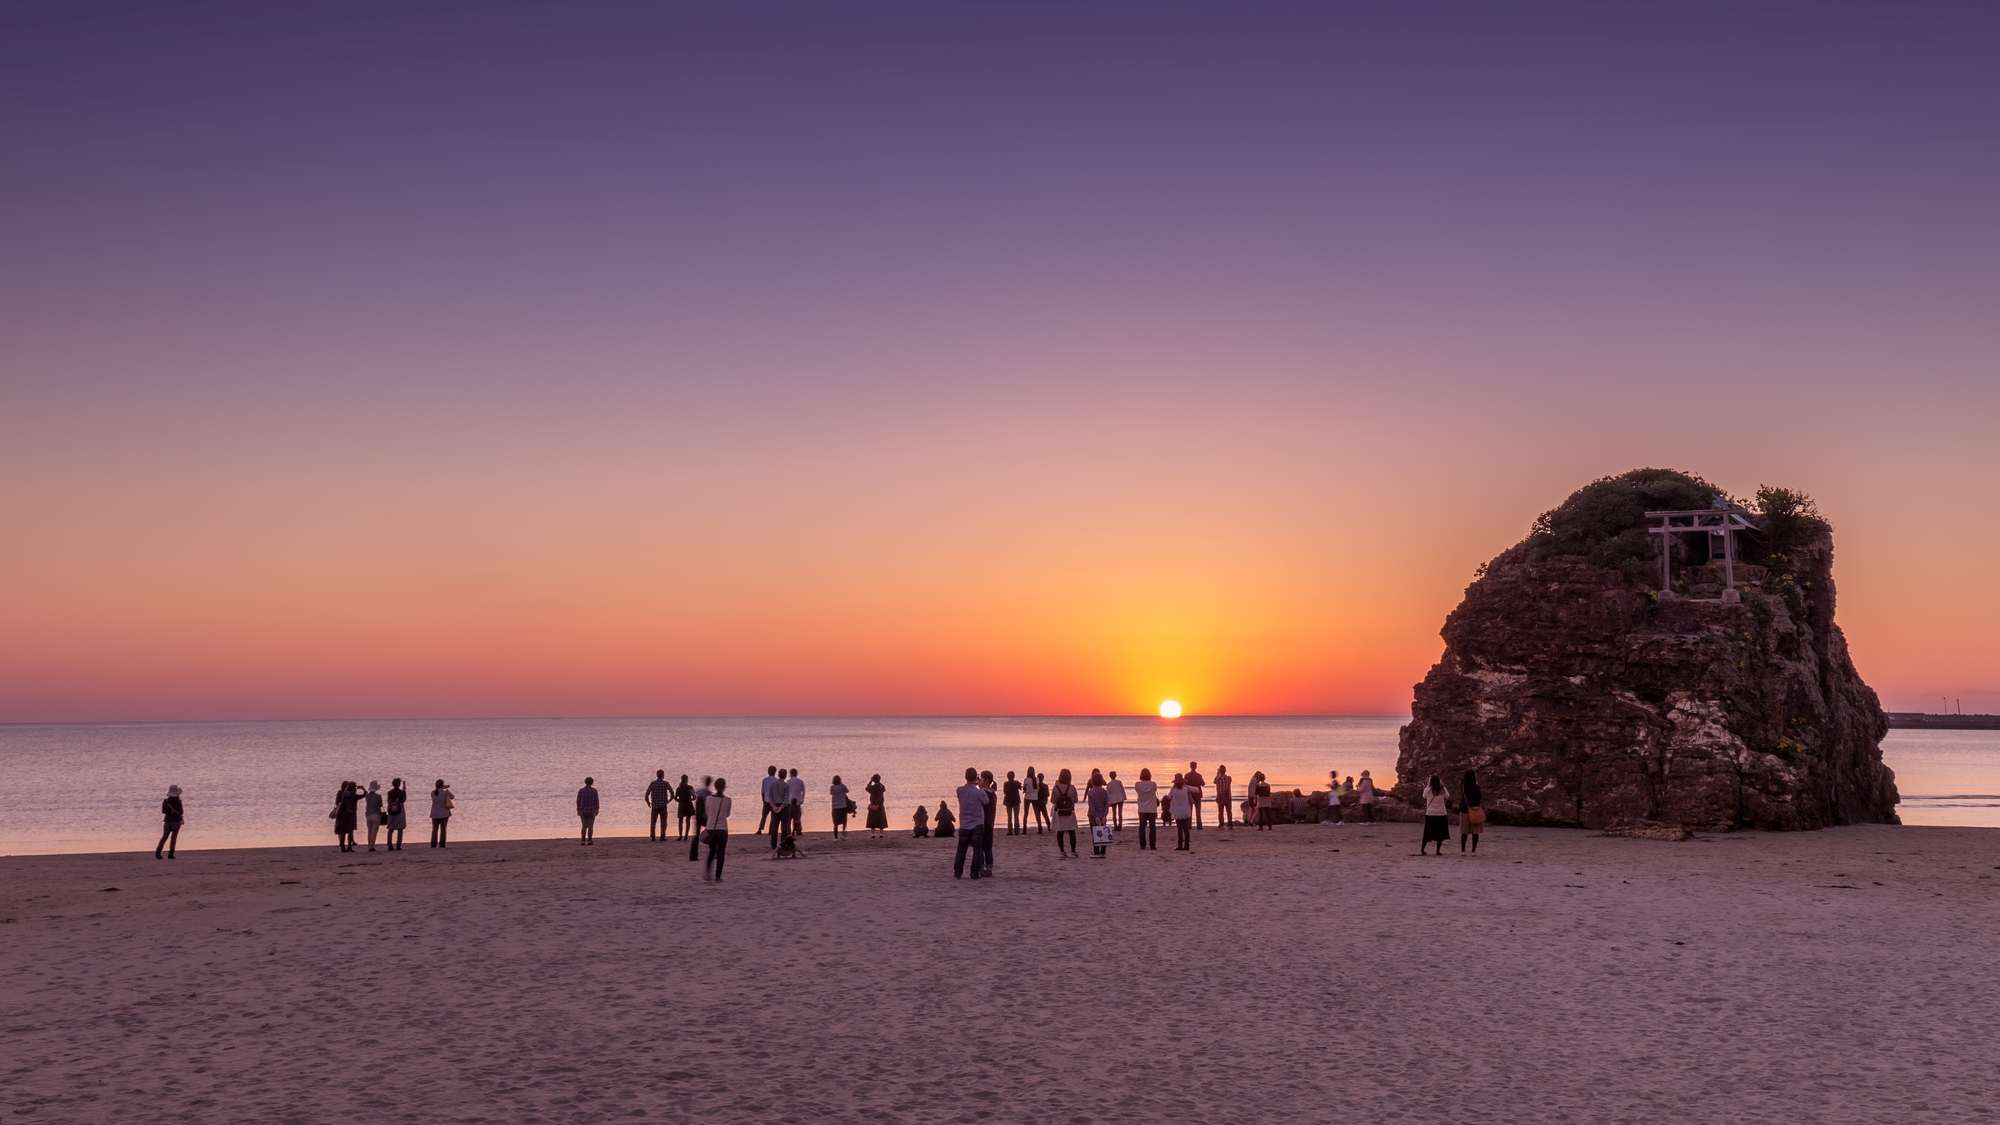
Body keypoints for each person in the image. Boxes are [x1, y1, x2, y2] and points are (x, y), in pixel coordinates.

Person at [953, 768, 990, 879]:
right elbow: (986, 801)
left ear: (965, 777)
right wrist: (979, 786)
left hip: (964, 823)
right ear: (976, 778)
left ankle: (957, 872)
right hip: (977, 823)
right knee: (977, 849)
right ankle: (974, 872)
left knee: (961, 849)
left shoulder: (960, 790)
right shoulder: (979, 792)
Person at [703, 778, 732, 881]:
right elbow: (727, 814)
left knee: (711, 851)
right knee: (721, 853)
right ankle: (718, 876)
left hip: (711, 828)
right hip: (722, 828)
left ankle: (707, 871)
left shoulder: (709, 799)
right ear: (724, 787)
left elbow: (707, 813)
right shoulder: (728, 800)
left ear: (714, 786)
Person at [1049, 769, 1080, 858]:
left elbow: (1052, 801)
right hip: (1070, 812)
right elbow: (1076, 800)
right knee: (1071, 832)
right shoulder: (1072, 787)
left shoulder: (1056, 788)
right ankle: (1073, 851)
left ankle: (1062, 851)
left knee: (1060, 832)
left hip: (1059, 813)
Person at [1419, 774, 1451, 855]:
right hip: (1441, 813)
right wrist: (1443, 786)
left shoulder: (1427, 790)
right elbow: (1448, 796)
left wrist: (1427, 786)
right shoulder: (1442, 790)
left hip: (1430, 813)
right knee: (1439, 833)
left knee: (1427, 833)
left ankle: (1422, 849)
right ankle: (1438, 850)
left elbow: (1424, 796)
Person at [333, 780, 363, 853]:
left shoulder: (343, 794)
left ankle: (342, 846)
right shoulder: (353, 795)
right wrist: (362, 788)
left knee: (343, 831)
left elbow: (338, 802)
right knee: (350, 831)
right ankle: (349, 846)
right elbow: (364, 795)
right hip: (351, 814)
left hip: (343, 814)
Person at [1460, 769, 1485, 854]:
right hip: (1475, 809)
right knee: (1475, 832)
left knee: (1464, 832)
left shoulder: (1463, 785)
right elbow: (1480, 797)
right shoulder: (1475, 787)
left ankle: (1463, 850)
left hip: (1465, 809)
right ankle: (1473, 850)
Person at [687, 776, 712, 861]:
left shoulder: (700, 791)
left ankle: (693, 855)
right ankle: (712, 851)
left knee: (696, 836)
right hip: (705, 817)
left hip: (698, 817)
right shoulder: (709, 793)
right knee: (713, 833)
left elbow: (694, 795)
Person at [155, 785, 183, 859]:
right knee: (173, 838)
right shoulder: (178, 801)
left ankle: (158, 852)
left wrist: (169, 813)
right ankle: (170, 854)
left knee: (164, 837)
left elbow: (163, 811)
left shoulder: (166, 801)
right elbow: (181, 812)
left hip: (167, 821)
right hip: (176, 821)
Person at [1134, 768, 1159, 850]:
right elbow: (1155, 791)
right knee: (1152, 827)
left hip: (1142, 808)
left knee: (1142, 827)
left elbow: (1137, 791)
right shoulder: (1153, 784)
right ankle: (1152, 844)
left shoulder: (1137, 784)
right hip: (1152, 808)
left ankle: (1142, 845)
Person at [979, 770, 998, 875]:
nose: (980, 780)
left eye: (981, 778)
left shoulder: (982, 793)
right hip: (990, 823)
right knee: (988, 847)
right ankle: (989, 868)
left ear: (986, 780)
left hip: (981, 822)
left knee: (980, 847)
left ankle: (982, 867)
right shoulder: (993, 794)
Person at [1168, 774, 1194, 851]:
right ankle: (1187, 845)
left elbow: (1169, 797)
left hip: (1177, 811)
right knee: (1186, 828)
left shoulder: (1173, 789)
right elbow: (1190, 799)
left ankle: (1179, 845)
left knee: (1179, 828)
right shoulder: (1186, 788)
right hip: (1185, 810)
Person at [645, 770, 674, 841]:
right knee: (663, 822)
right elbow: (672, 792)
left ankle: (653, 836)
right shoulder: (665, 783)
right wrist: (669, 800)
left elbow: (647, 794)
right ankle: (662, 836)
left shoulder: (653, 783)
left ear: (657, 775)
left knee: (653, 822)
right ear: (663, 775)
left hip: (654, 805)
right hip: (663, 805)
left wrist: (648, 802)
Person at [385, 779, 408, 851]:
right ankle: (398, 845)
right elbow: (403, 800)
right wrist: (404, 791)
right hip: (399, 810)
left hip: (391, 810)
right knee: (400, 828)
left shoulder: (389, 792)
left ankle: (389, 844)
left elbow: (388, 801)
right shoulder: (401, 792)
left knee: (390, 828)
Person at [430, 779, 454, 847]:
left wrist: (443, 788)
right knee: (443, 830)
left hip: (435, 814)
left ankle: (433, 844)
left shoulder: (433, 793)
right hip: (444, 814)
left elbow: (438, 792)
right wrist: (446, 789)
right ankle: (442, 844)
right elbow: (452, 797)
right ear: (442, 785)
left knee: (434, 830)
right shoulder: (445, 792)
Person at [577, 777, 600, 845]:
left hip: (583, 810)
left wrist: (578, 809)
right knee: (590, 826)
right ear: (592, 783)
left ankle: (583, 840)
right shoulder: (594, 791)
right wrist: (597, 809)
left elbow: (578, 801)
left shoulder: (581, 791)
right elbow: (596, 801)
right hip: (591, 810)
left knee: (584, 826)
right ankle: (589, 840)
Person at [758, 766, 781, 834]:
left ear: (768, 772)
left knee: (764, 815)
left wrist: (763, 799)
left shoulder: (765, 780)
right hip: (774, 801)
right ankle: (771, 830)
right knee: (773, 817)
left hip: (766, 800)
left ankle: (760, 829)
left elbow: (762, 791)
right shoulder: (777, 780)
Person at [364, 781, 385, 851]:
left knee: (369, 831)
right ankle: (371, 846)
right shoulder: (378, 796)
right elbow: (380, 805)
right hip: (376, 815)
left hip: (368, 815)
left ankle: (369, 845)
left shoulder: (367, 796)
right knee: (374, 832)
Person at [786, 768, 807, 840]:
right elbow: (803, 791)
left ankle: (788, 830)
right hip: (798, 802)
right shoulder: (800, 782)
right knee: (797, 817)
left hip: (789, 802)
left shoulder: (788, 782)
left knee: (789, 817)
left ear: (791, 774)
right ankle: (798, 830)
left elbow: (786, 792)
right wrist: (802, 799)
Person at [1023, 769, 1046, 834]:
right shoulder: (1037, 779)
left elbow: (1024, 788)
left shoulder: (1026, 779)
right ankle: (1040, 828)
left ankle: (1024, 829)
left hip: (1027, 797)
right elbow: (1038, 788)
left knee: (1026, 814)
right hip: (1035, 797)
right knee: (1037, 814)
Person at [866, 775, 888, 839]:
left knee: (872, 820)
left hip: (873, 805)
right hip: (880, 805)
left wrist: (870, 781)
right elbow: (884, 788)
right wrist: (879, 782)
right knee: (881, 820)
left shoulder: (872, 788)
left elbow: (867, 788)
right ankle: (881, 834)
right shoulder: (881, 787)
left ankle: (873, 835)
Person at [675, 775, 696, 841]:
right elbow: (694, 796)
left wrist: (679, 801)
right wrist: (691, 799)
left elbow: (675, 797)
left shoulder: (679, 788)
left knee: (680, 821)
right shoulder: (689, 788)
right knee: (688, 820)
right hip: (688, 804)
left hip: (681, 805)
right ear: (687, 780)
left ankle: (680, 835)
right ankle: (686, 835)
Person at [829, 775, 851, 840]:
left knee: (835, 823)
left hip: (835, 806)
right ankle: (843, 833)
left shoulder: (832, 787)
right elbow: (847, 791)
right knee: (844, 821)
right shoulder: (843, 786)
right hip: (843, 806)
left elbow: (831, 793)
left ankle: (836, 837)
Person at [1184, 762, 1205, 829]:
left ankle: (1188, 825)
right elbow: (1203, 784)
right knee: (1198, 811)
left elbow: (1184, 785)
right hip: (1197, 795)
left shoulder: (1187, 775)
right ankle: (1199, 825)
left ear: (1190, 766)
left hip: (1190, 794)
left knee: (1189, 811)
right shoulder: (1199, 775)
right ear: (1196, 767)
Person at [1003, 771, 1023, 835]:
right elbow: (1021, 788)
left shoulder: (1006, 784)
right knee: (1016, 816)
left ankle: (1010, 831)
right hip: (1016, 801)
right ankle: (1017, 831)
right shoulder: (1016, 783)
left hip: (1008, 801)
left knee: (1009, 817)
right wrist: (1020, 784)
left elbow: (1005, 792)